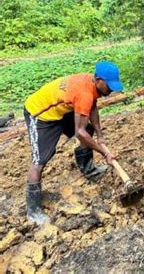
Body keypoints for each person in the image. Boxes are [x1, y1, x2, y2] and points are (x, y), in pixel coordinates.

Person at [24, 61, 124, 224]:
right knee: (40, 160)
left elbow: (92, 108)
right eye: (109, 86)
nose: (111, 90)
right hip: (40, 114)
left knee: (89, 131)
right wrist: (104, 152)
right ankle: (33, 211)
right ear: (98, 79)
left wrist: (100, 134)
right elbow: (80, 133)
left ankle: (89, 170)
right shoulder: (84, 94)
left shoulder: (91, 85)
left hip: (63, 110)